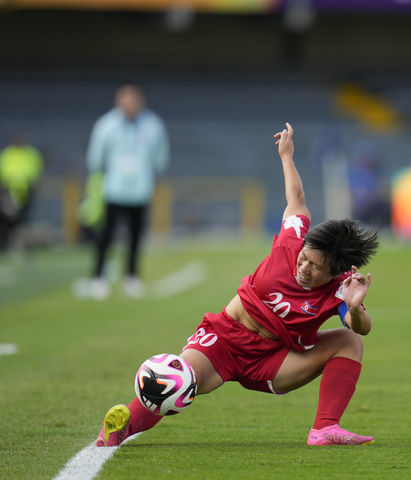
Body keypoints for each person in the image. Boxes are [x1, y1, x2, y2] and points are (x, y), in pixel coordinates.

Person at [95, 123, 379, 448]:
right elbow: (296, 197)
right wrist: (287, 156)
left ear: (336, 272)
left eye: (316, 268)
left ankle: (325, 428)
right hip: (224, 339)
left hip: (273, 359)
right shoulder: (292, 239)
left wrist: (355, 308)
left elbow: (362, 328)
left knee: (350, 341)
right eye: (304, 259)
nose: (304, 268)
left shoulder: (342, 289)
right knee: (180, 381)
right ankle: (120, 429)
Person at [85, 84, 169, 299]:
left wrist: (154, 175)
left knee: (135, 235)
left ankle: (132, 277)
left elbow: (160, 156)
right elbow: (96, 157)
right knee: (107, 235)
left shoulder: (152, 125)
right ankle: (98, 277)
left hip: (140, 189)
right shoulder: (106, 125)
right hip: (114, 188)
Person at [0, 135, 44, 249]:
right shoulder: (8, 154)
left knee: (20, 220)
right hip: (9, 191)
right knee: (8, 219)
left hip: (25, 192)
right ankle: (7, 241)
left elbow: (36, 169)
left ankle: (17, 242)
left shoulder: (31, 154)